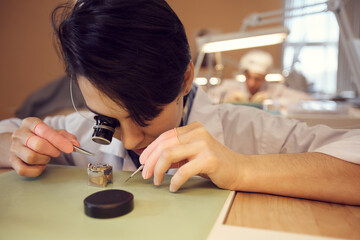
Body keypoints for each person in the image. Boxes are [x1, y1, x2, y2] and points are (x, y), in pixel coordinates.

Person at [0, 0, 359, 205]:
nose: (126, 141)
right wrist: (20, 145)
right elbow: (8, 135)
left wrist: (242, 168)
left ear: (185, 79)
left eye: (144, 115)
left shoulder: (250, 133)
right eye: (106, 118)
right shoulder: (79, 135)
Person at [208, 50, 313, 105]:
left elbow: (308, 100)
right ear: (243, 74)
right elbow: (204, 98)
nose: (252, 83)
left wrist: (273, 101)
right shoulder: (229, 87)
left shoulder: (276, 90)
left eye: (258, 79)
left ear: (265, 77)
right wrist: (224, 99)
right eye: (248, 77)